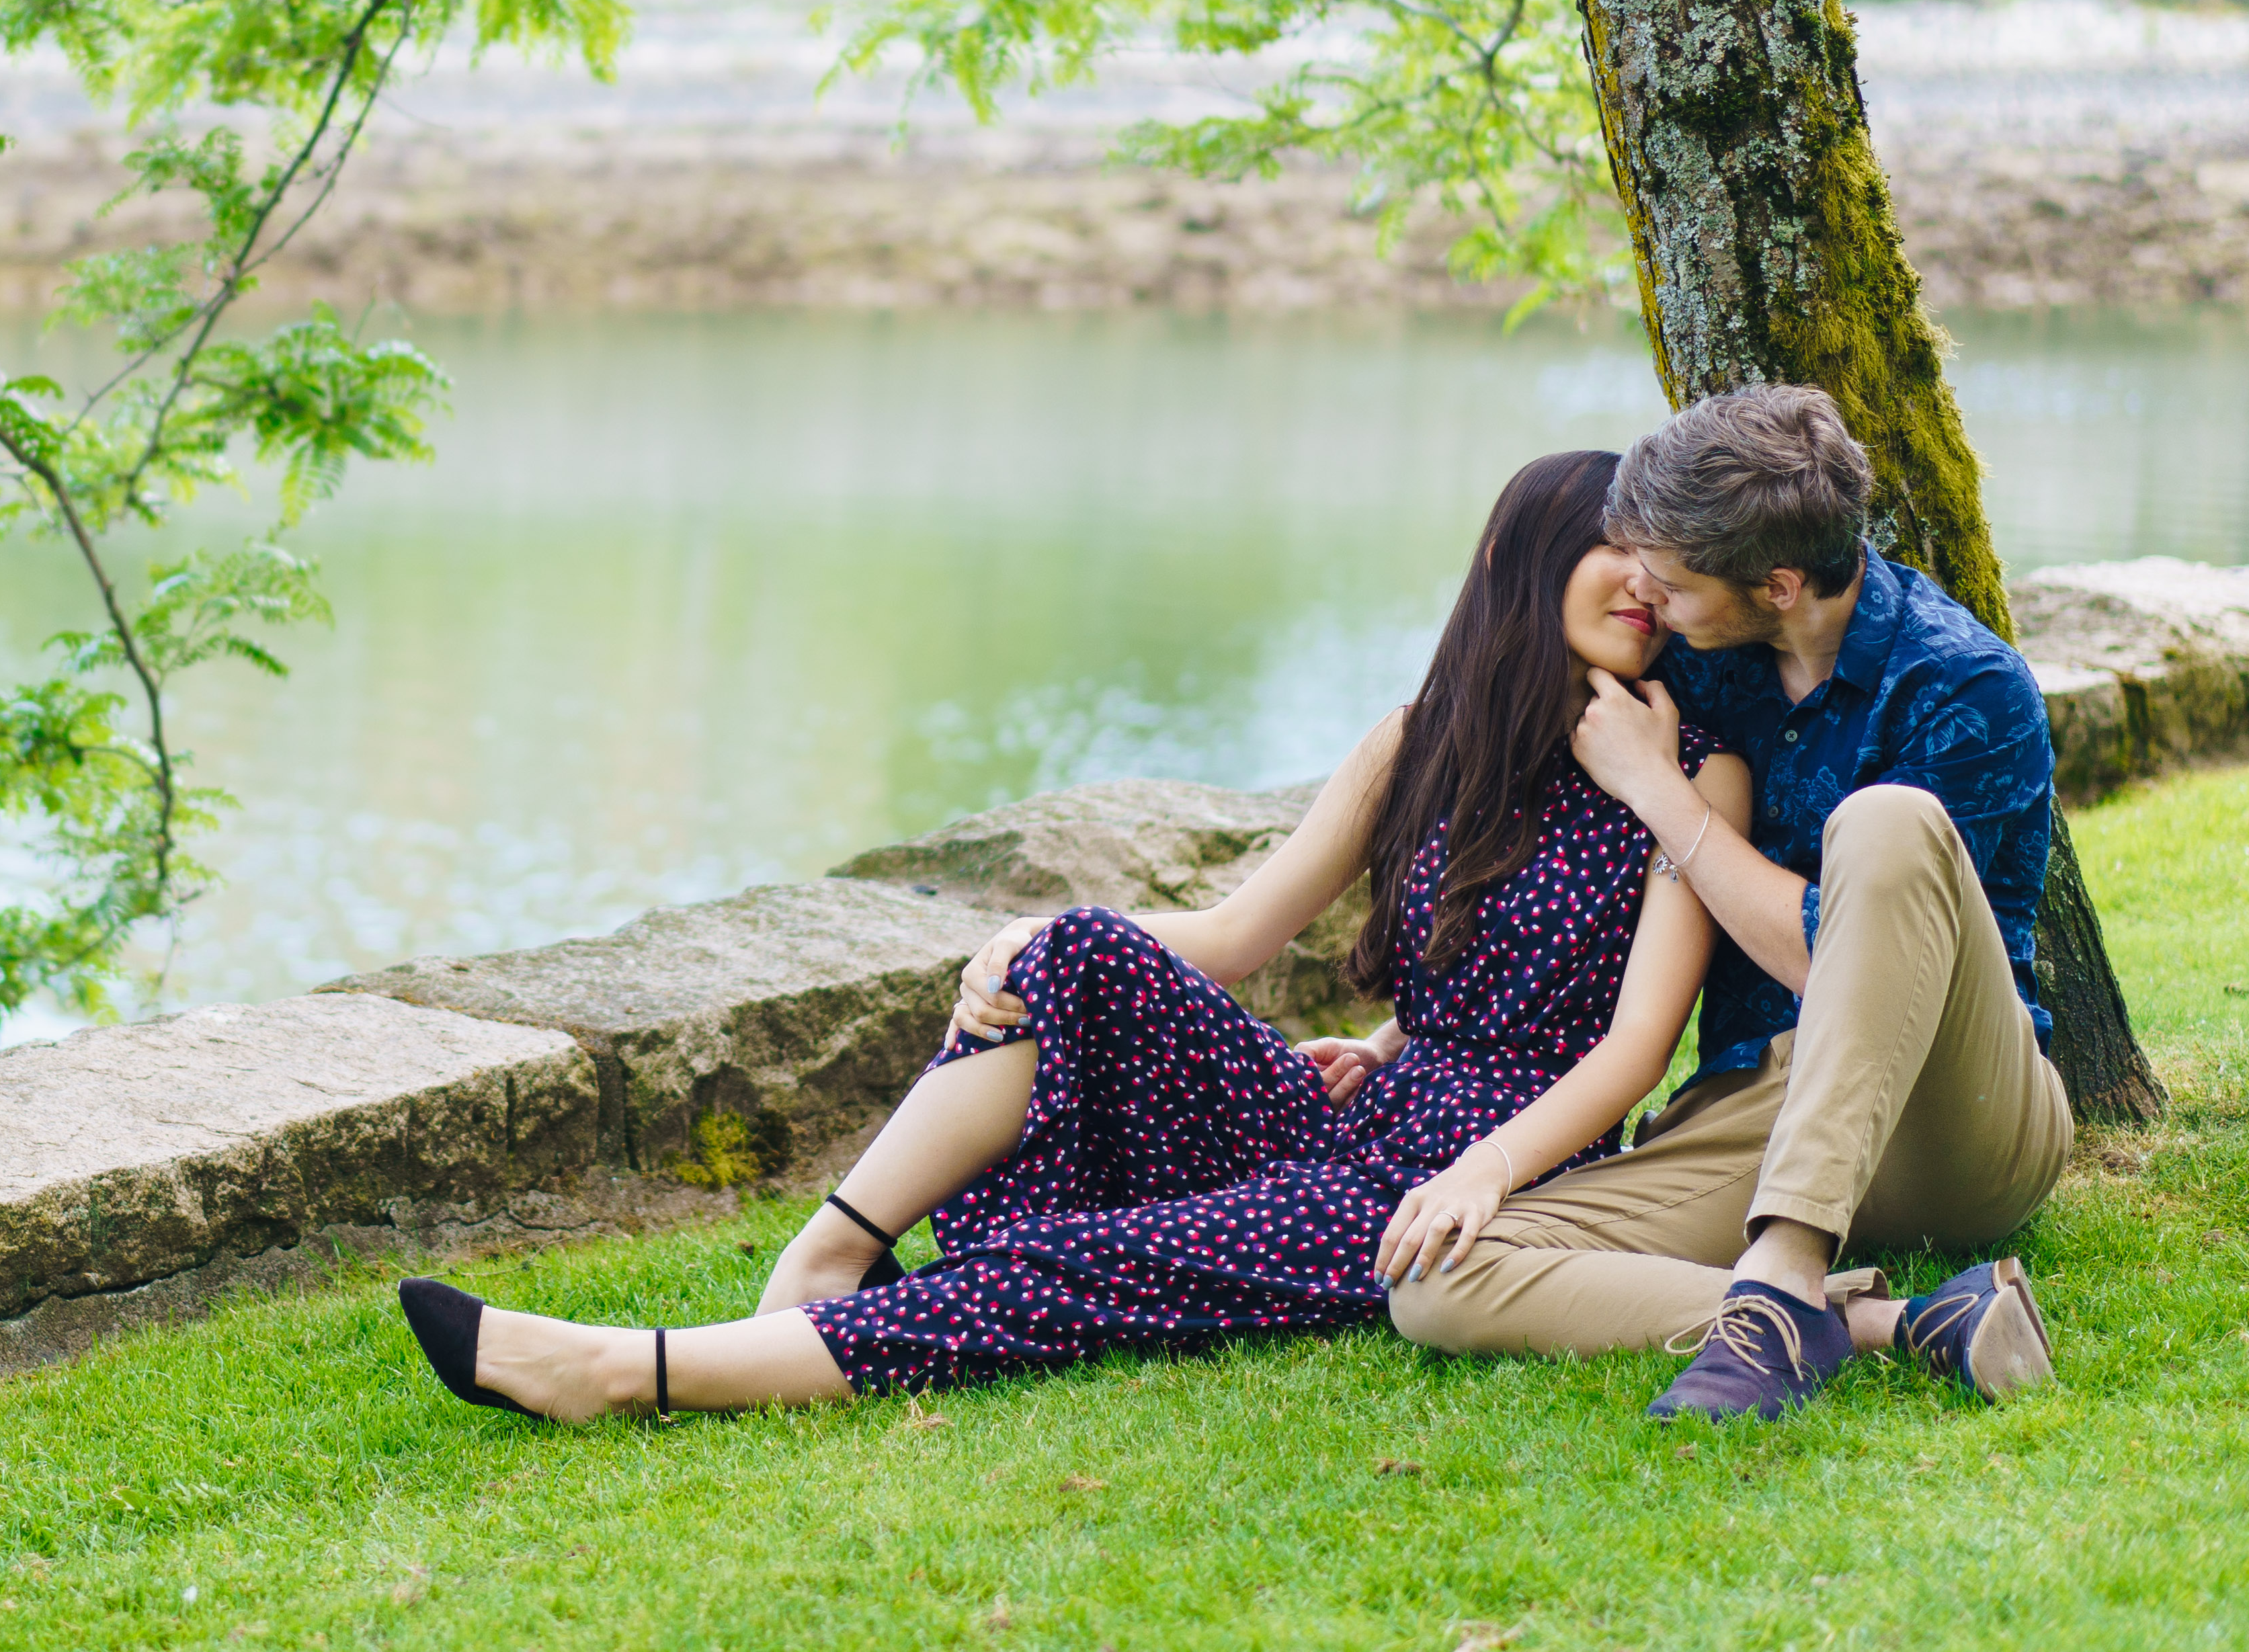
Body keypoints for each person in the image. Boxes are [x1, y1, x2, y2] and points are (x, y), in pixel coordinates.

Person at [395, 449, 1744, 1422]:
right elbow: (1234, 932)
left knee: (1089, 1267)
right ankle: (831, 1249)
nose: (1643, 579)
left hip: (1471, 1175)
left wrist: (1480, 1173)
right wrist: (1039, 931)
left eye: (1659, 560)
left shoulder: (1692, 772)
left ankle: (626, 1370)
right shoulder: (1419, 741)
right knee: (1079, 953)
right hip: (1353, 1114)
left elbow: (1633, 1050)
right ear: (1521, 558)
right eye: (1610, 544)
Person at [1387, 383, 2074, 1421]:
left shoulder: (1963, 688)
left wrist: (1659, 793)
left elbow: (1844, 971)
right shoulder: (1702, 663)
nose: (1645, 596)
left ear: (1777, 586)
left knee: (1884, 824)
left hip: (1950, 1114)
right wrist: (1404, 1031)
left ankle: (1785, 1273)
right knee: (1439, 1274)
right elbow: (1551, 854)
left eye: (1668, 582)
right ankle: (1890, 1323)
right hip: (1757, 1110)